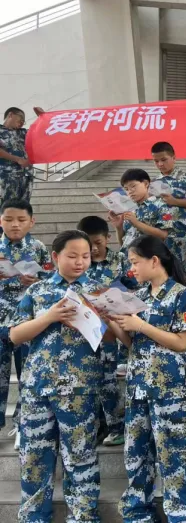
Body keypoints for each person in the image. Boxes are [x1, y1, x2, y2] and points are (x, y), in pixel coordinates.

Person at [9, 230, 102, 523]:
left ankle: (83, 516)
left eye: (85, 256)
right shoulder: (37, 292)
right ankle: (34, 517)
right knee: (34, 458)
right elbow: (14, 335)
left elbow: (112, 337)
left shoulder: (99, 291)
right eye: (72, 256)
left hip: (80, 389)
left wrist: (94, 317)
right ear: (55, 257)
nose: (80, 262)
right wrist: (49, 316)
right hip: (38, 388)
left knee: (80, 458)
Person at [106, 236, 186, 523]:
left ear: (154, 261)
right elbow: (133, 344)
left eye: (135, 262)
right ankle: (138, 514)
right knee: (136, 456)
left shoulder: (181, 295)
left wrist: (141, 325)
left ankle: (180, 515)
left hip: (168, 391)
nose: (131, 268)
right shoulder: (140, 296)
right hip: (138, 389)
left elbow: (181, 343)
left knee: (174, 458)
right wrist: (113, 321)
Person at [0, 200, 54, 449]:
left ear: (31, 222)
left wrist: (36, 280)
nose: (15, 225)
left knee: (27, 374)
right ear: (1, 221)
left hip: (26, 322)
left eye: (21, 220)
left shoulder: (38, 248)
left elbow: (51, 279)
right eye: (9, 219)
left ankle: (23, 424)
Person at [77, 215, 130, 446]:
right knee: (91, 381)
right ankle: (99, 426)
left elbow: (137, 288)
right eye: (89, 244)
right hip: (86, 330)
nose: (94, 248)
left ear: (107, 238)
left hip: (114, 329)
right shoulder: (79, 262)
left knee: (109, 381)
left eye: (98, 242)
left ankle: (116, 426)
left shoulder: (120, 260)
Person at [151, 142, 186, 282]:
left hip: (181, 235)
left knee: (184, 272)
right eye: (156, 161)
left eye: (164, 159)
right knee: (162, 272)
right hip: (160, 235)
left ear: (173, 157)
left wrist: (175, 201)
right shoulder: (153, 183)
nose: (160, 164)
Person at [109, 168, 174, 253]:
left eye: (133, 186)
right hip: (127, 259)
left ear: (146, 183)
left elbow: (164, 235)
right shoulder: (130, 210)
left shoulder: (161, 205)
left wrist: (136, 223)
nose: (130, 192)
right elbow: (123, 244)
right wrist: (119, 227)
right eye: (126, 189)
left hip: (146, 258)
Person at [0, 107, 34, 207]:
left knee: (23, 208)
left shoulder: (24, 133)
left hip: (26, 177)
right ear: (11, 115)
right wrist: (17, 159)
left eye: (24, 121)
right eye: (21, 119)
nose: (22, 123)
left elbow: (43, 133)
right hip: (7, 177)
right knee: (6, 207)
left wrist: (42, 116)